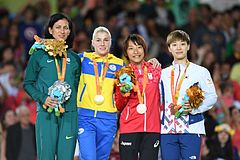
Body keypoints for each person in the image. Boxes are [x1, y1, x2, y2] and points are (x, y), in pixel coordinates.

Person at [23, 13, 81, 160]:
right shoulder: (39, 55)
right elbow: (28, 84)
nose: (62, 31)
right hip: (46, 112)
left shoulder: (74, 58)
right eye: (58, 27)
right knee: (46, 157)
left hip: (69, 114)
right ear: (50, 30)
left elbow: (76, 85)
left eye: (66, 28)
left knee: (66, 157)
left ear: (69, 31)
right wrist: (43, 98)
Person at [160, 30, 217, 160]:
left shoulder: (201, 72)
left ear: (188, 46)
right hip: (167, 129)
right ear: (169, 48)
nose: (178, 48)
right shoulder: (162, 74)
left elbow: (212, 97)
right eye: (174, 45)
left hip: (191, 128)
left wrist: (195, 109)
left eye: (182, 44)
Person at [76, 26, 124, 160]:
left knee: (102, 158)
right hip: (85, 118)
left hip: (108, 119)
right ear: (92, 42)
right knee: (89, 157)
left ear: (110, 42)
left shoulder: (120, 65)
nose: (102, 43)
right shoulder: (81, 59)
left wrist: (151, 62)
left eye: (106, 40)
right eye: (98, 40)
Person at [114, 34, 161, 160]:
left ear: (144, 49)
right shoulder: (123, 74)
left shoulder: (156, 71)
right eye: (131, 48)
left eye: (139, 47)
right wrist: (124, 91)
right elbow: (119, 105)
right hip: (129, 128)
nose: (136, 51)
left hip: (152, 128)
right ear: (126, 52)